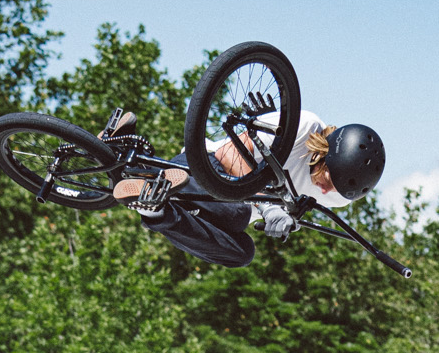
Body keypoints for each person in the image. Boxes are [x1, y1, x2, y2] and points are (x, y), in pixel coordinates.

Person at [113, 107, 384, 267]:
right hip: (206, 168)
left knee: (242, 253)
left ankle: (153, 207)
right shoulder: (303, 127)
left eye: (333, 191)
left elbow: (293, 203)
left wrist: (288, 219)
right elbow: (231, 154)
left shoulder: (338, 198)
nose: (325, 192)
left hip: (228, 208)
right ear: (325, 155)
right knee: (238, 215)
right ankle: (151, 175)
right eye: (327, 180)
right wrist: (266, 206)